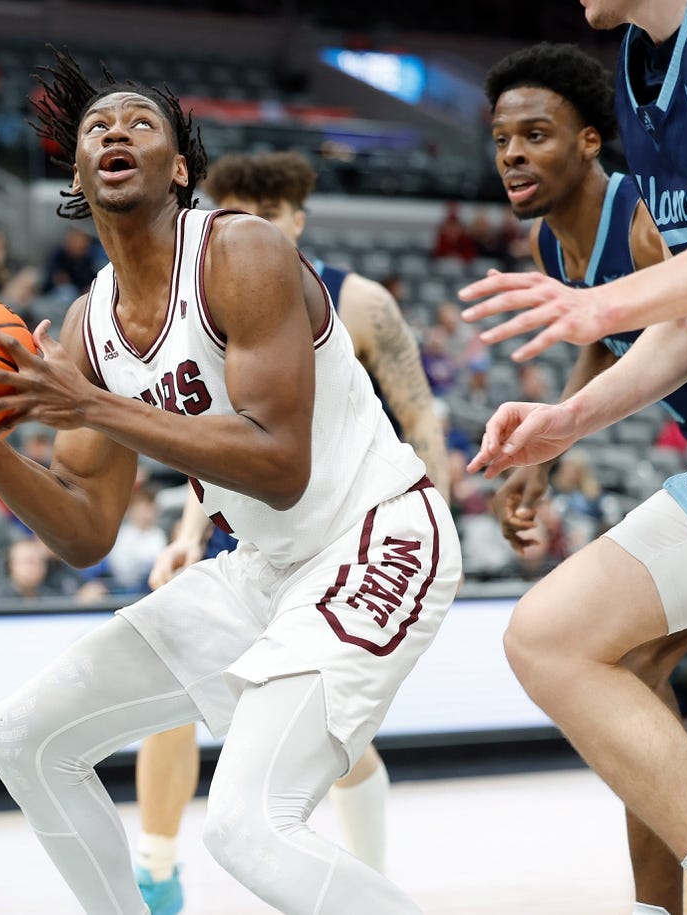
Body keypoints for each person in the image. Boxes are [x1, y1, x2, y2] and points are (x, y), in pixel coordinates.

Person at [0, 49, 460, 915]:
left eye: (141, 122)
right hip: (263, 569)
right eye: (97, 126)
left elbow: (280, 465)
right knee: (21, 736)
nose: (114, 132)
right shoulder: (86, 326)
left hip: (376, 531)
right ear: (79, 172)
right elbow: (87, 532)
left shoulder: (240, 250)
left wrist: (91, 407)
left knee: (248, 827)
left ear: (180, 170)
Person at [458, 3, 687, 912]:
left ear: (586, 145)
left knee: (630, 665)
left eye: (534, 134)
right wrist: (564, 425)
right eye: (501, 137)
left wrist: (609, 309)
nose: (511, 153)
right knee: (568, 643)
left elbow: (659, 302)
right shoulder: (634, 64)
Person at [133, 148, 452, 912]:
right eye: (233, 212)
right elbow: (213, 439)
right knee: (170, 696)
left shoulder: (361, 301)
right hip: (240, 531)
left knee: (338, 738)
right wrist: (184, 532)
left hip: (343, 535)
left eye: (266, 215)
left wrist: (424, 512)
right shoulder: (207, 304)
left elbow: (419, 417)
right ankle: (156, 871)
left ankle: (366, 882)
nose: (248, 228)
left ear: (297, 221)